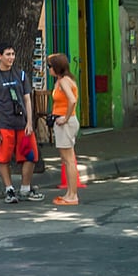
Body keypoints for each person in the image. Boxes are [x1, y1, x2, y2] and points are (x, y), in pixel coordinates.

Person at [0, 43, 43, 204]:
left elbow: (27, 99)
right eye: (8, 54)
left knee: (30, 156)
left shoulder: (21, 75)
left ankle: (25, 188)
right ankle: (9, 189)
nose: (11, 58)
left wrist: (30, 121)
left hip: (22, 123)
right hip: (4, 123)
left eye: (13, 54)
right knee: (3, 158)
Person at [48, 53, 81, 205]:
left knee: (68, 160)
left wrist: (65, 118)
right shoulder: (66, 80)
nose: (49, 69)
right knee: (68, 159)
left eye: (50, 67)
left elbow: (72, 100)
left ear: (56, 68)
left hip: (65, 122)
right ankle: (70, 192)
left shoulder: (64, 82)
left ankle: (72, 195)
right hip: (64, 121)